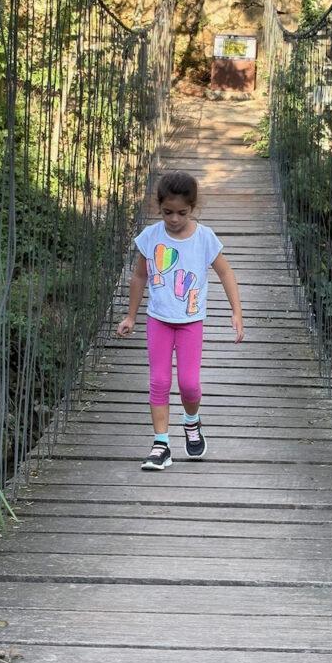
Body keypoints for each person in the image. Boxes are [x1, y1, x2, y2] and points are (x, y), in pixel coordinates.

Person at [116, 170, 244, 470]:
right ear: (158, 207)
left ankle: (191, 421)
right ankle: (161, 444)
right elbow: (139, 276)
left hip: (190, 322)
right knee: (159, 381)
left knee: (189, 384)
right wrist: (131, 316)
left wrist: (236, 312)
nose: (173, 219)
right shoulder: (150, 236)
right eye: (167, 212)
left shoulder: (204, 238)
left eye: (181, 213)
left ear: (193, 208)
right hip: (158, 319)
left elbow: (225, 272)